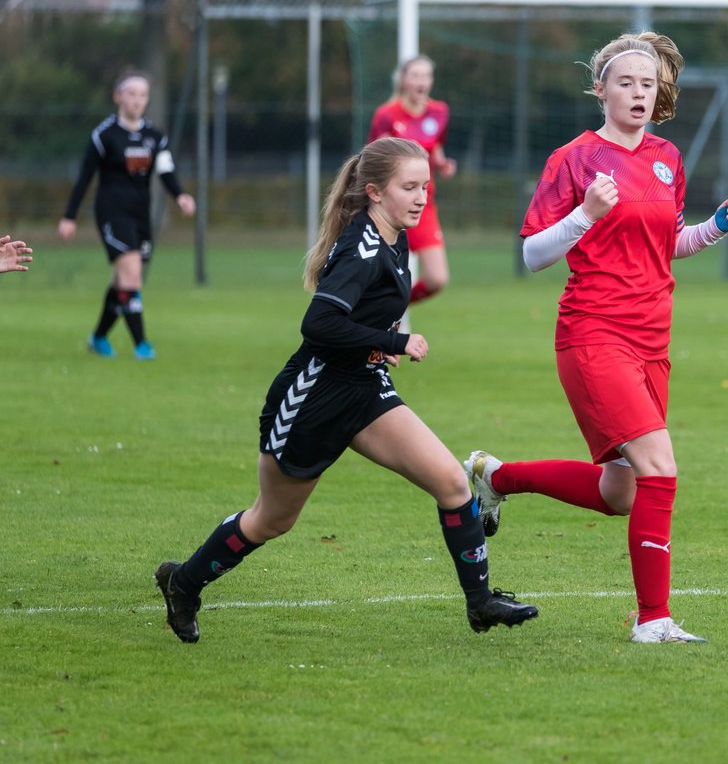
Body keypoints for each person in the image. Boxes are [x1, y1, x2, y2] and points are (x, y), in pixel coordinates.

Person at [153, 137, 537, 644]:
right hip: (314, 397)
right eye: (410, 187)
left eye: (426, 186)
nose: (422, 196)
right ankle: (183, 582)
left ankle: (480, 603)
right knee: (271, 520)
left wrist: (378, 348)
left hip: (363, 386)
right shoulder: (363, 247)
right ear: (375, 191)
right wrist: (392, 338)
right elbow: (318, 324)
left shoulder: (396, 236)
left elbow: (357, 319)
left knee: (451, 481)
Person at [463, 31, 728, 645]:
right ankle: (654, 621)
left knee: (621, 492)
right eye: (626, 82)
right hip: (593, 335)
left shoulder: (668, 158)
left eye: (648, 83)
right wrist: (584, 214)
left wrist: (716, 228)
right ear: (601, 90)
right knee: (660, 468)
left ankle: (495, 477)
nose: (639, 92)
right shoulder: (574, 159)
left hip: (652, 341)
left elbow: (665, 243)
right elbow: (533, 254)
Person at [58, 69, 196, 359]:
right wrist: (69, 217)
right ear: (118, 96)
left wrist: (180, 195)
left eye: (142, 95)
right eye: (131, 93)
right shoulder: (104, 135)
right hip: (112, 214)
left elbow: (166, 170)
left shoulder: (155, 136)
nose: (137, 100)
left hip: (140, 216)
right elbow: (85, 177)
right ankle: (142, 345)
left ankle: (97, 338)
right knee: (132, 277)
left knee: (125, 282)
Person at [367, 55, 458, 307]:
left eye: (426, 76)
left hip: (422, 202)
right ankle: (374, 320)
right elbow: (374, 160)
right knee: (377, 274)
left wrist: (442, 164)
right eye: (415, 75)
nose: (422, 81)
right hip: (389, 205)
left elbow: (434, 146)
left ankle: (388, 305)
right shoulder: (386, 114)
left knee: (436, 278)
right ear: (403, 80)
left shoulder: (439, 111)